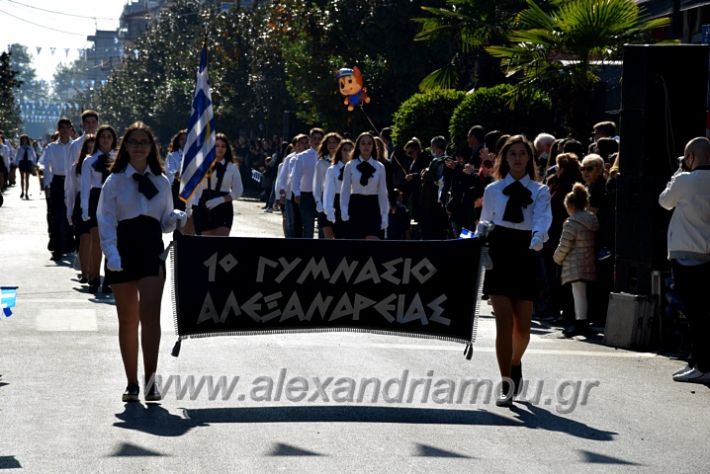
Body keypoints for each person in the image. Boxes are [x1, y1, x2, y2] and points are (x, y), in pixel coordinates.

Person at [97, 122, 186, 401]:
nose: (139, 147)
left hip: (151, 251)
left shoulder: (161, 181)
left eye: (144, 142)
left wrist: (176, 218)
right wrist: (111, 254)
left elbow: (164, 223)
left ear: (151, 147)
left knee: (150, 316)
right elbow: (106, 219)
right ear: (126, 146)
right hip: (122, 251)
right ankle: (132, 382)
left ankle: (150, 380)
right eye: (133, 142)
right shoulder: (115, 181)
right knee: (127, 319)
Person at [479, 135, 552, 406]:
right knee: (504, 321)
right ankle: (506, 384)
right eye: (513, 154)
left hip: (526, 251)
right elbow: (485, 222)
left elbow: (544, 217)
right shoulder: (493, 189)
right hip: (499, 250)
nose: (518, 159)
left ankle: (515, 361)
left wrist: (538, 238)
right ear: (505, 159)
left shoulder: (539, 190)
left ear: (529, 159)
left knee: (523, 329)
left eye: (523, 154)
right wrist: (481, 248)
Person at [658, 137, 710, 384]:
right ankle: (697, 361)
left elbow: (665, 201)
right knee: (704, 312)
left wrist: (679, 171)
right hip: (707, 255)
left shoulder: (684, 180)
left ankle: (701, 365)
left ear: (690, 157)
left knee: (693, 313)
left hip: (684, 254)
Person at [553, 183, 599, 337]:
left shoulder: (571, 223)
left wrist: (557, 258)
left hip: (573, 264)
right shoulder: (592, 220)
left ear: (571, 206)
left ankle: (579, 323)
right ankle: (583, 322)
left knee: (576, 295)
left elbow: (564, 245)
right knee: (584, 295)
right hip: (588, 262)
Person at [82, 125, 119, 293]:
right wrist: (84, 208)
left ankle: (109, 279)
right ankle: (95, 277)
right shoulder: (89, 160)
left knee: (111, 241)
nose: (105, 139)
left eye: (109, 137)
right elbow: (84, 187)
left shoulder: (118, 159)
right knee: (96, 241)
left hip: (113, 200)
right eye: (103, 136)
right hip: (96, 198)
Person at [191, 133, 243, 236]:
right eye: (216, 145)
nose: (220, 149)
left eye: (223, 146)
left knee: (220, 243)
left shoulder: (232, 167)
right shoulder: (203, 165)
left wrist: (221, 200)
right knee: (207, 245)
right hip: (205, 204)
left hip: (224, 207)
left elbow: (238, 190)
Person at [340, 132, 389, 240]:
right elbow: (345, 189)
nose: (366, 146)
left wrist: (385, 214)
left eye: (369, 143)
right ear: (358, 146)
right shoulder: (350, 165)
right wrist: (343, 208)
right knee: (357, 241)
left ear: (373, 146)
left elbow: (382, 192)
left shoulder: (379, 166)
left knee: (373, 239)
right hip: (356, 204)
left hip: (373, 205)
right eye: (363, 143)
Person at [42, 118, 76, 261]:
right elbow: (46, 167)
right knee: (56, 215)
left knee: (70, 215)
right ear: (58, 129)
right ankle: (57, 247)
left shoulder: (76, 146)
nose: (64, 130)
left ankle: (69, 244)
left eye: (66, 127)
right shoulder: (51, 147)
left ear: (70, 129)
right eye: (61, 127)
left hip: (72, 182)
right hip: (57, 181)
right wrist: (47, 185)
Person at [66, 134, 96, 288]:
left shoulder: (103, 165)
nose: (91, 150)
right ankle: (84, 273)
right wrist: (69, 210)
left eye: (94, 147)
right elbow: (71, 190)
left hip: (96, 202)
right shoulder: (75, 167)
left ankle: (93, 272)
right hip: (80, 203)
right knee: (84, 239)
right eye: (88, 148)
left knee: (94, 240)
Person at [291, 128, 325, 239]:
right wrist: (296, 193)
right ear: (310, 140)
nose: (317, 141)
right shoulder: (302, 157)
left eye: (319, 139)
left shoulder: (327, 157)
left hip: (323, 195)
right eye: (314, 138)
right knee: (308, 227)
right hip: (306, 195)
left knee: (323, 227)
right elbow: (296, 177)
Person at [323, 139, 354, 238]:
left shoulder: (358, 168)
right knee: (340, 235)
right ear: (340, 151)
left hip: (354, 202)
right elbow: (329, 192)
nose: (348, 152)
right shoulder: (333, 169)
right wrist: (329, 210)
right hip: (338, 202)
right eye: (345, 150)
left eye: (350, 149)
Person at [313, 132, 342, 239]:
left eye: (334, 142)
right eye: (329, 143)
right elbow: (317, 184)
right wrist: (318, 201)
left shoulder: (345, 163)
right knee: (326, 233)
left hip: (340, 199)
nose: (332, 145)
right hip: (326, 199)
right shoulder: (321, 163)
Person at [15, 135, 38, 200]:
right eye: (23, 139)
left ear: (27, 140)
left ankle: (26, 193)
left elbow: (34, 156)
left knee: (27, 179)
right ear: (21, 140)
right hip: (22, 162)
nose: (24, 141)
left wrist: (34, 164)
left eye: (25, 139)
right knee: (22, 178)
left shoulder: (30, 148)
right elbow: (17, 156)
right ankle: (22, 191)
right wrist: (16, 163)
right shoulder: (20, 148)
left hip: (28, 162)